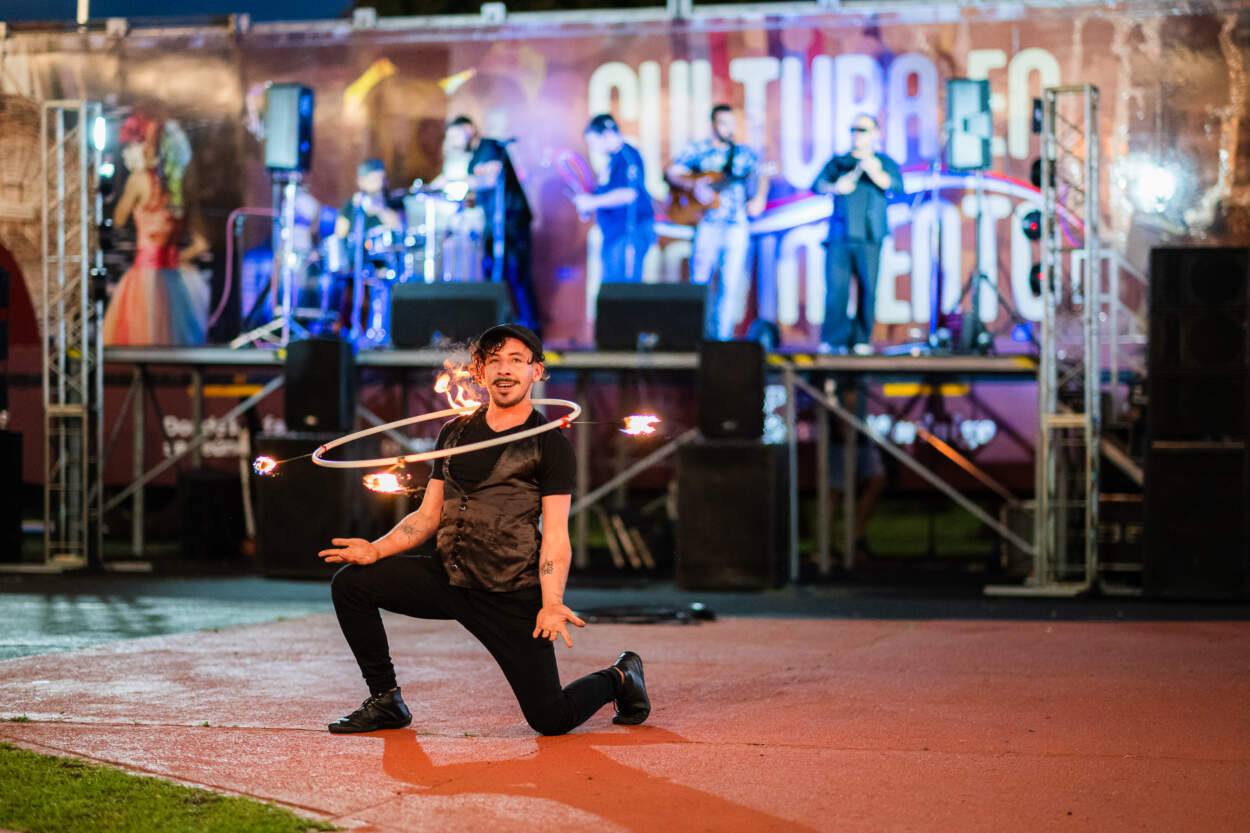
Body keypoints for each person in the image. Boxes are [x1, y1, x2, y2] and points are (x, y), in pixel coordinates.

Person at [318, 323, 650, 735]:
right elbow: (426, 516)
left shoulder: (550, 444)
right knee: (351, 583)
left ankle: (620, 676)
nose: (505, 370)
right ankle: (386, 700)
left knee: (551, 719)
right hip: (448, 578)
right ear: (479, 372)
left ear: (537, 371)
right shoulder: (454, 432)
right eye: (494, 362)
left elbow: (557, 535)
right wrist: (376, 550)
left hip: (508, 592)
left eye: (516, 360)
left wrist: (551, 602)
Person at [102, 114, 210, 346]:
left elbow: (118, 220)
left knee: (140, 342)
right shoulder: (183, 189)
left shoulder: (139, 180)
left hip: (144, 277)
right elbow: (202, 244)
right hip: (176, 280)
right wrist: (176, 257)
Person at [666, 104, 769, 341]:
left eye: (732, 124)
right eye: (724, 123)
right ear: (713, 124)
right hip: (708, 223)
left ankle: (721, 340)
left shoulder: (743, 153)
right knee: (700, 280)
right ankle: (696, 336)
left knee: (730, 284)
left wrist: (759, 197)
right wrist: (695, 185)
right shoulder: (698, 150)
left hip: (736, 224)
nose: (729, 129)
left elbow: (761, 173)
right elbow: (672, 172)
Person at [434, 116, 541, 335]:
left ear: (468, 129)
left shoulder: (490, 146)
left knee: (516, 274)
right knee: (493, 271)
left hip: (511, 220)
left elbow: (491, 180)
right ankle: (503, 327)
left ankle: (532, 330)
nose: (452, 141)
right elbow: (480, 193)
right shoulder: (474, 157)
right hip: (493, 223)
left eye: (454, 135)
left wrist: (453, 182)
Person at [812, 114, 903, 355]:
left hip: (870, 235)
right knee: (837, 290)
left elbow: (896, 187)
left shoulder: (883, 162)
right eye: (855, 129)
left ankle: (862, 338)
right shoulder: (840, 162)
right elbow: (817, 185)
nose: (858, 134)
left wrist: (874, 171)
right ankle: (833, 340)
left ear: (875, 133)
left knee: (868, 289)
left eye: (864, 129)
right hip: (840, 236)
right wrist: (836, 186)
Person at [574, 114, 655, 284]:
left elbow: (628, 194)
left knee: (621, 290)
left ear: (608, 134)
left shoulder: (628, 156)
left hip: (628, 233)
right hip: (614, 233)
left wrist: (592, 202)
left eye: (593, 142)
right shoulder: (613, 161)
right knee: (611, 288)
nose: (593, 148)